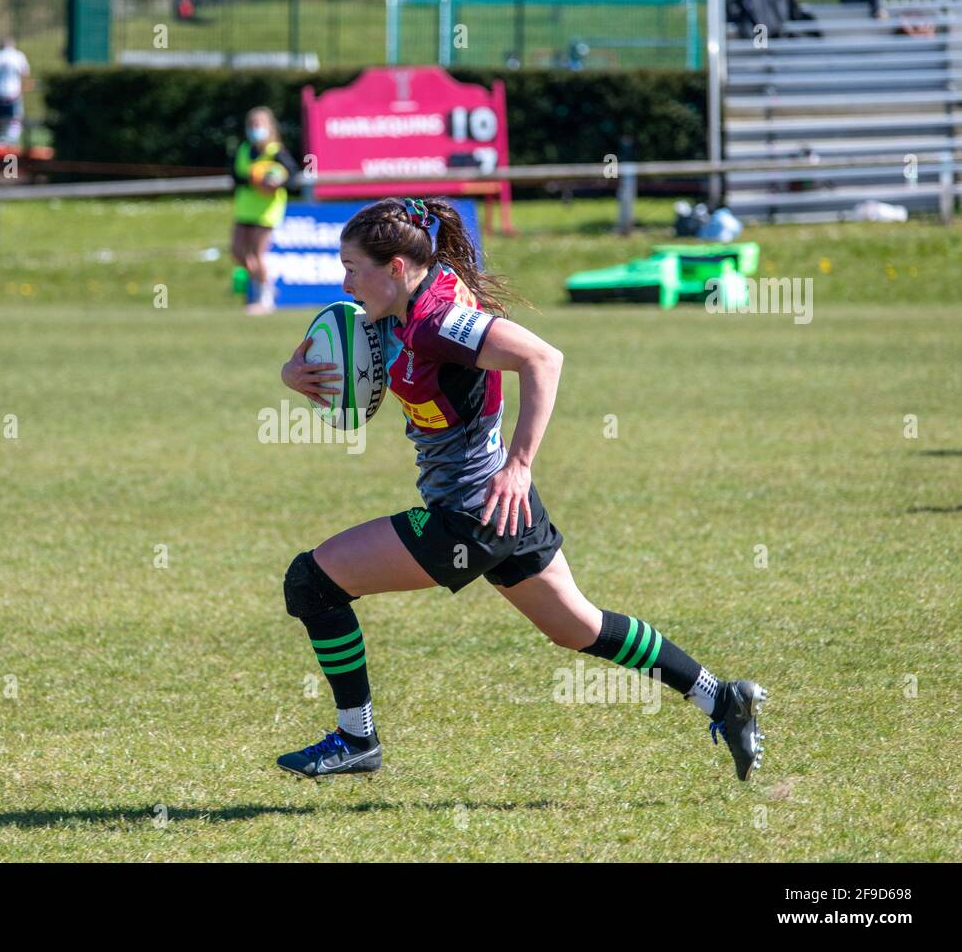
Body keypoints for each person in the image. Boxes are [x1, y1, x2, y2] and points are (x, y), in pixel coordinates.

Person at [275, 196, 767, 781]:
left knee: (313, 583)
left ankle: (356, 739)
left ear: (396, 269)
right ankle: (721, 698)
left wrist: (521, 463)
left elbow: (543, 358)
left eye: (351, 268)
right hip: (505, 512)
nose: (344, 280)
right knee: (578, 628)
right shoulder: (398, 309)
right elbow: (363, 372)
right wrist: (294, 374)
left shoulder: (438, 321)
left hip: (473, 513)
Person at [231, 106, 301, 316]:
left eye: (258, 125)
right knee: (237, 251)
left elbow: (292, 176)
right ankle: (263, 283)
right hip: (244, 207)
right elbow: (235, 176)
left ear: (269, 127)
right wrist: (254, 179)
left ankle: (264, 298)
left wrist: (274, 181)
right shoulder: (244, 149)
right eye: (251, 125)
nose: (255, 129)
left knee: (258, 253)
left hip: (266, 210)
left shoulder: (276, 151)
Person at [0, 38, 32, 145]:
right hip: (14, 92)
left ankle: (0, 140)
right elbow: (25, 73)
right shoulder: (18, 56)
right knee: (15, 118)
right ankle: (11, 141)